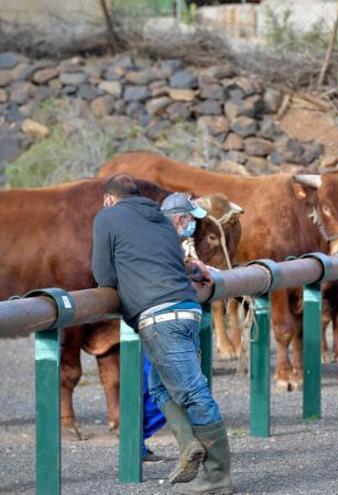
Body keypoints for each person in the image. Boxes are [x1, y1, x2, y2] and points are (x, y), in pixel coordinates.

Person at [91, 177, 232, 495]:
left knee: (195, 393)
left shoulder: (107, 217)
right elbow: (178, 263)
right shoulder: (159, 217)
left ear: (109, 199)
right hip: (188, 309)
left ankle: (218, 478)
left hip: (158, 315)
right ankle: (189, 446)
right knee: (158, 385)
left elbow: (104, 275)